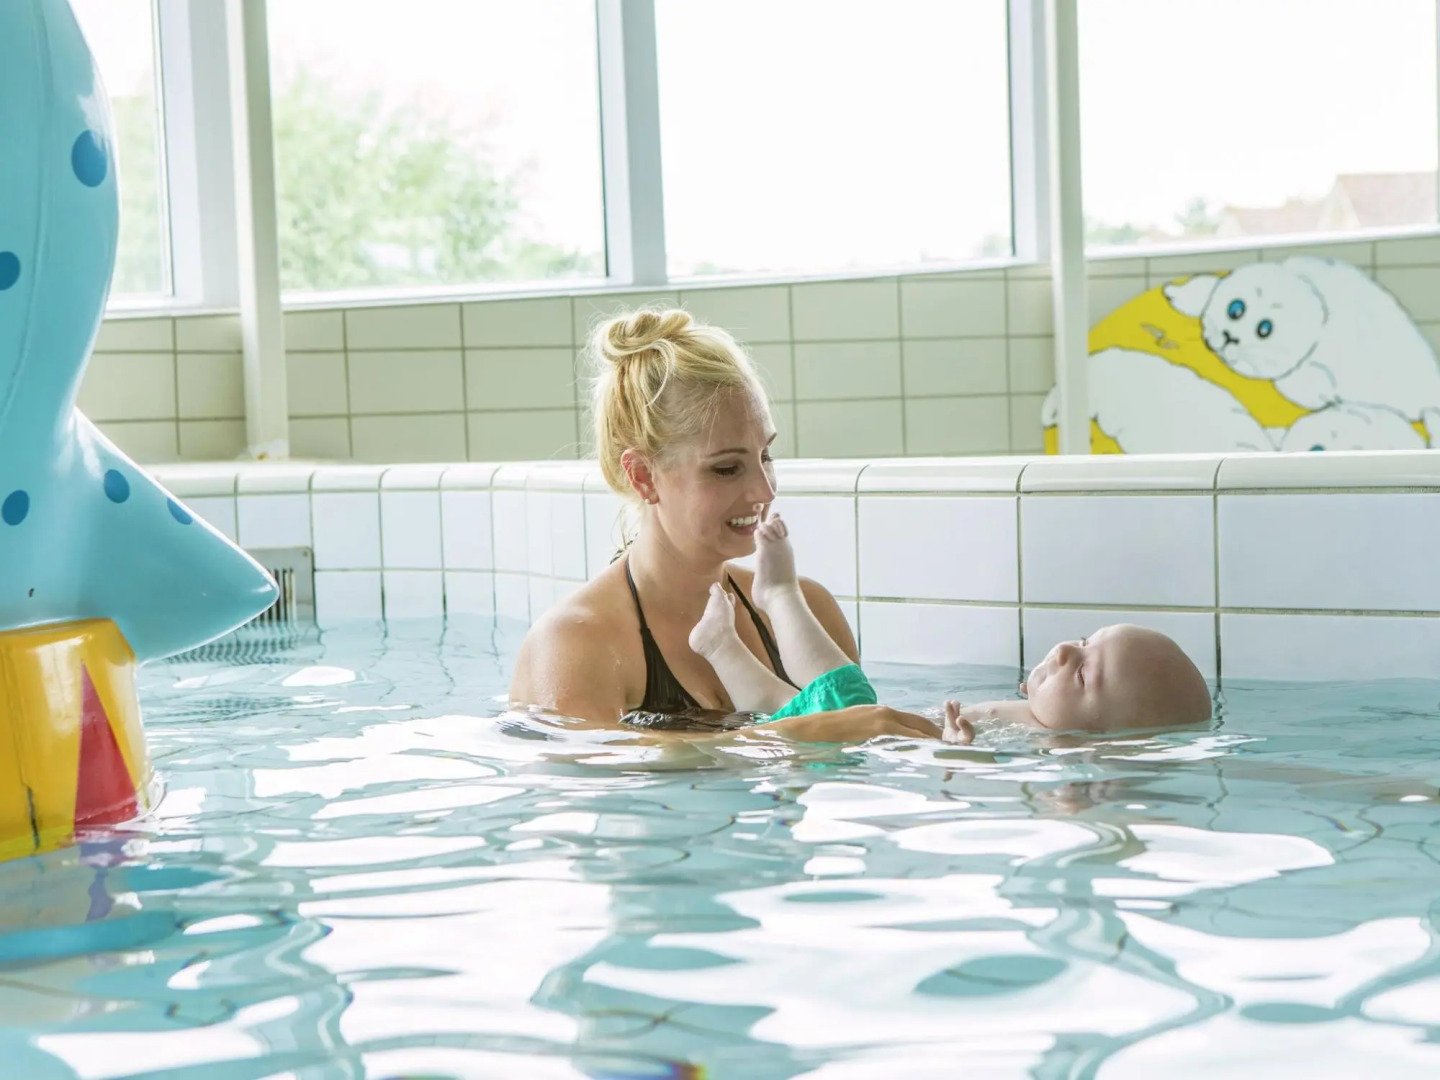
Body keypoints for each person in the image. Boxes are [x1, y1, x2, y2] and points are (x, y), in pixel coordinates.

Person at [507, 308, 938, 741]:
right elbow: (588, 773)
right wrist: (799, 732)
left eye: (765, 456)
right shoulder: (575, 643)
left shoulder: (808, 609)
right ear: (643, 476)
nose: (764, 491)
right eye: (728, 468)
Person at [690, 514, 1214, 745]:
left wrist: (956, 750)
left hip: (881, 749)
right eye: (1080, 643)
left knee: (848, 693)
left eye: (1082, 676)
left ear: (1098, 737)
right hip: (873, 741)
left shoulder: (1053, 746)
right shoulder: (1041, 717)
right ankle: (722, 646)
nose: (1061, 653)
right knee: (790, 708)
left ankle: (777, 596)